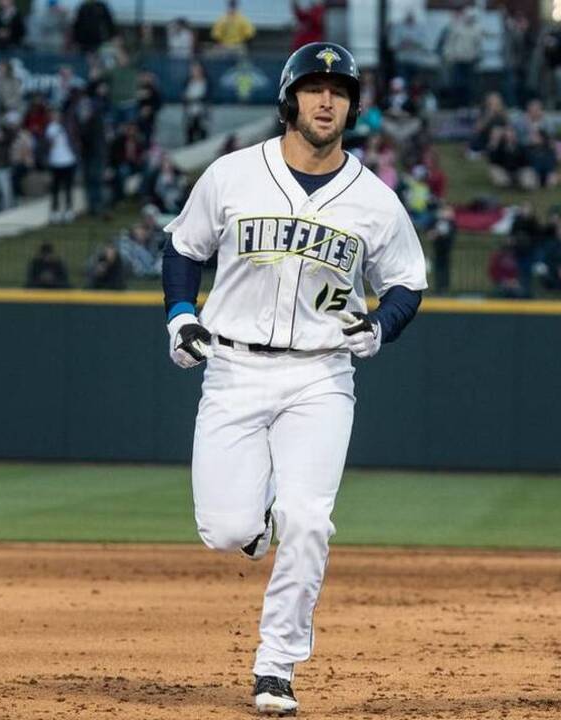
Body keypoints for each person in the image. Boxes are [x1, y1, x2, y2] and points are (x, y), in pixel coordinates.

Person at [161, 42, 427, 717]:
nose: (325, 100)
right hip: (233, 368)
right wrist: (181, 316)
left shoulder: (373, 199)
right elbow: (182, 247)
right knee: (225, 532)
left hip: (320, 376)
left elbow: (406, 282)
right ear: (290, 98)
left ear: (353, 106)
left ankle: (275, 666)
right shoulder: (231, 175)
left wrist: (380, 326)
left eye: (337, 91)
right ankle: (254, 524)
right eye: (313, 88)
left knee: (308, 520)